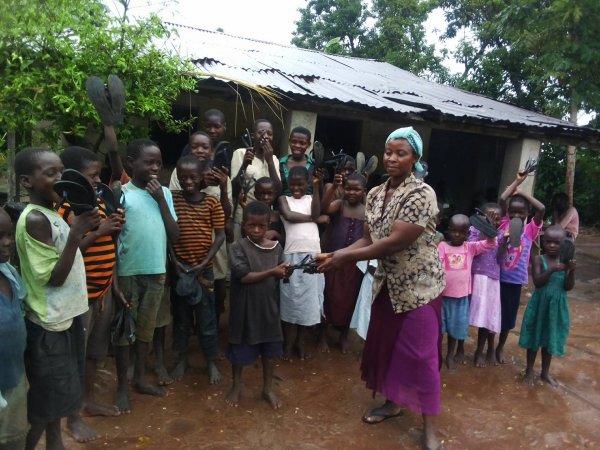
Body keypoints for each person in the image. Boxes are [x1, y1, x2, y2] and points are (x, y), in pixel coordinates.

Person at [317, 127, 445, 450]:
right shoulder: (375, 194)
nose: (392, 158)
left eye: (401, 153)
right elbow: (370, 237)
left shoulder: (422, 194)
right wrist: (336, 254)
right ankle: (393, 403)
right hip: (387, 285)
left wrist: (342, 259)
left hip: (420, 289)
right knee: (387, 348)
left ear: (414, 158)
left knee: (422, 355)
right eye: (389, 151)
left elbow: (394, 242)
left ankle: (430, 428)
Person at [14, 148, 101, 450]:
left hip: (66, 317)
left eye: (62, 172)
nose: (60, 179)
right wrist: (77, 232)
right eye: (51, 173)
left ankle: (55, 442)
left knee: (58, 395)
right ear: (26, 181)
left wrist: (81, 230)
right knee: (44, 403)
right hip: (48, 325)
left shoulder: (53, 213)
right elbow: (54, 277)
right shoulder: (36, 219)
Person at [57, 147, 127, 441]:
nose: (98, 180)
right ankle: (72, 418)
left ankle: (87, 402)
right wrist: (99, 232)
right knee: (76, 356)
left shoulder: (99, 200)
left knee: (94, 354)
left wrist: (115, 227)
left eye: (99, 174)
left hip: (103, 290)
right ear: (72, 178)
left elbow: (108, 245)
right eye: (91, 176)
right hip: (80, 297)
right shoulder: (66, 209)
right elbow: (68, 252)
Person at [114, 138, 179, 413]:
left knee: (145, 331)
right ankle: (121, 388)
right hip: (128, 272)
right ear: (131, 163)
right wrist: (115, 277)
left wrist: (160, 200)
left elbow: (174, 234)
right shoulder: (121, 193)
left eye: (159, 163)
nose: (155, 167)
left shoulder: (164, 192)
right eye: (148, 162)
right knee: (123, 334)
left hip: (156, 272)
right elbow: (114, 236)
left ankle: (140, 378)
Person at [225, 201, 290, 409]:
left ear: (268, 225)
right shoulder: (237, 247)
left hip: (268, 308)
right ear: (243, 225)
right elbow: (242, 276)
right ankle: (236, 385)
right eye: (251, 225)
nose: (255, 230)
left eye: (261, 226)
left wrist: (286, 271)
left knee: (269, 352)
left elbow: (282, 273)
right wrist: (273, 271)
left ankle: (267, 388)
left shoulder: (276, 248)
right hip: (244, 309)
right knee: (240, 349)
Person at [168, 155, 225, 384]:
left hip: (204, 272)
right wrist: (174, 260)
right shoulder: (173, 199)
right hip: (180, 270)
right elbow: (169, 235)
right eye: (183, 177)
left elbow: (220, 235)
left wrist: (204, 263)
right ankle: (182, 359)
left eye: (193, 176)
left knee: (207, 318)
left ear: (202, 177)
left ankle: (211, 361)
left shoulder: (212, 202)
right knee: (181, 318)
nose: (188, 181)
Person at [169, 131, 233, 333]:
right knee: (184, 293)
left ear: (211, 150)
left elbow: (226, 212)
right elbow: (174, 201)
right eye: (195, 146)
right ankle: (187, 332)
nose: (200, 150)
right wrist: (202, 183)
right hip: (186, 243)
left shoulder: (221, 173)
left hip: (213, 242)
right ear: (189, 148)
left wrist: (223, 187)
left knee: (216, 286)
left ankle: (208, 330)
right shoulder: (181, 171)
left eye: (205, 147)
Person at [496, 173, 545, 364]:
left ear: (527, 214)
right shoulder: (504, 224)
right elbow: (501, 199)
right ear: (508, 213)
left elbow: (541, 208)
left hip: (515, 282)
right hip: (498, 278)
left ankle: (500, 347)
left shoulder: (530, 230)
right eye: (513, 212)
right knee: (494, 316)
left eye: (521, 213)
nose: (516, 215)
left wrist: (522, 192)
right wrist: (516, 182)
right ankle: (490, 347)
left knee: (508, 319)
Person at [438, 214, 496, 370]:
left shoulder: (470, 247)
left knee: (454, 329)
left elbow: (491, 244)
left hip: (460, 298)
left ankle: (450, 355)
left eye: (461, 232)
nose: (457, 235)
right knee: (439, 329)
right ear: (448, 231)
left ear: (468, 234)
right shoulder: (442, 246)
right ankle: (437, 354)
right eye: (454, 231)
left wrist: (489, 228)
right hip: (442, 297)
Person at [278, 166, 325, 360]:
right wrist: (315, 219)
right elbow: (289, 216)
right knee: (291, 301)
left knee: (308, 302)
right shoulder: (283, 200)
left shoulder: (311, 199)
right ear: (288, 184)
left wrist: (316, 187)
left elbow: (317, 211)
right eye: (293, 184)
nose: (296, 188)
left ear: (307, 184)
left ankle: (300, 343)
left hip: (313, 255)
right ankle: (288, 345)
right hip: (292, 256)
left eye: (301, 184)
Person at [519, 225, 575, 386]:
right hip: (540, 305)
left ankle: (545, 372)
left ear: (563, 244)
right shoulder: (539, 259)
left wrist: (571, 271)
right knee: (534, 338)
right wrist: (551, 270)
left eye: (556, 243)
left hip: (556, 308)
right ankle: (529, 370)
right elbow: (537, 282)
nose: (551, 245)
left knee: (549, 338)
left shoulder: (565, 263)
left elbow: (568, 287)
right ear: (543, 242)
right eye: (548, 242)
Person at [318, 172, 366, 353]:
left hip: (354, 263)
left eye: (357, 189)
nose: (352, 192)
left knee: (349, 299)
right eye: (348, 188)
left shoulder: (366, 210)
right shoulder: (340, 205)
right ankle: (322, 334)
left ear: (363, 191)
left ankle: (343, 336)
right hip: (333, 258)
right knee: (328, 294)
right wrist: (333, 187)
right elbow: (324, 208)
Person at [0, 208, 28, 450]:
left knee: (15, 440)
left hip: (15, 381)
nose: (7, 242)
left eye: (8, 235)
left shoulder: (9, 275)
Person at [231, 119, 282, 238]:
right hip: (243, 214)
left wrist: (269, 161)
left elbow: (278, 190)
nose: (266, 136)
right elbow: (234, 188)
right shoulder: (240, 153)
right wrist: (245, 164)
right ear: (253, 135)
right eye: (261, 132)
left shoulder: (274, 158)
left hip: (265, 218)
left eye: (269, 133)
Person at [469, 202, 503, 367]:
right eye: (489, 217)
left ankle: (480, 351)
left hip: (492, 280)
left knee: (487, 316)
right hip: (474, 277)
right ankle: (459, 348)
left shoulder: (502, 235)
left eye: (496, 219)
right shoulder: (473, 231)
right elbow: (476, 248)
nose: (493, 221)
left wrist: (501, 238)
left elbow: (501, 259)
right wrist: (486, 228)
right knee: (467, 314)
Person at [279, 126, 315, 196]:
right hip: (284, 204)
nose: (297, 145)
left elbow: (319, 192)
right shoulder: (280, 163)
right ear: (289, 141)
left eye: (302, 143)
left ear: (308, 145)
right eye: (294, 141)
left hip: (308, 204)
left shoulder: (314, 164)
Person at [254, 177, 284, 244]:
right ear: (255, 194)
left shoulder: (278, 216)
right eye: (262, 194)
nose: (266, 197)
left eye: (269, 193)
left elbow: (285, 241)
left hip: (276, 252)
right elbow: (245, 237)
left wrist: (275, 234)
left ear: (275, 194)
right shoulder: (252, 215)